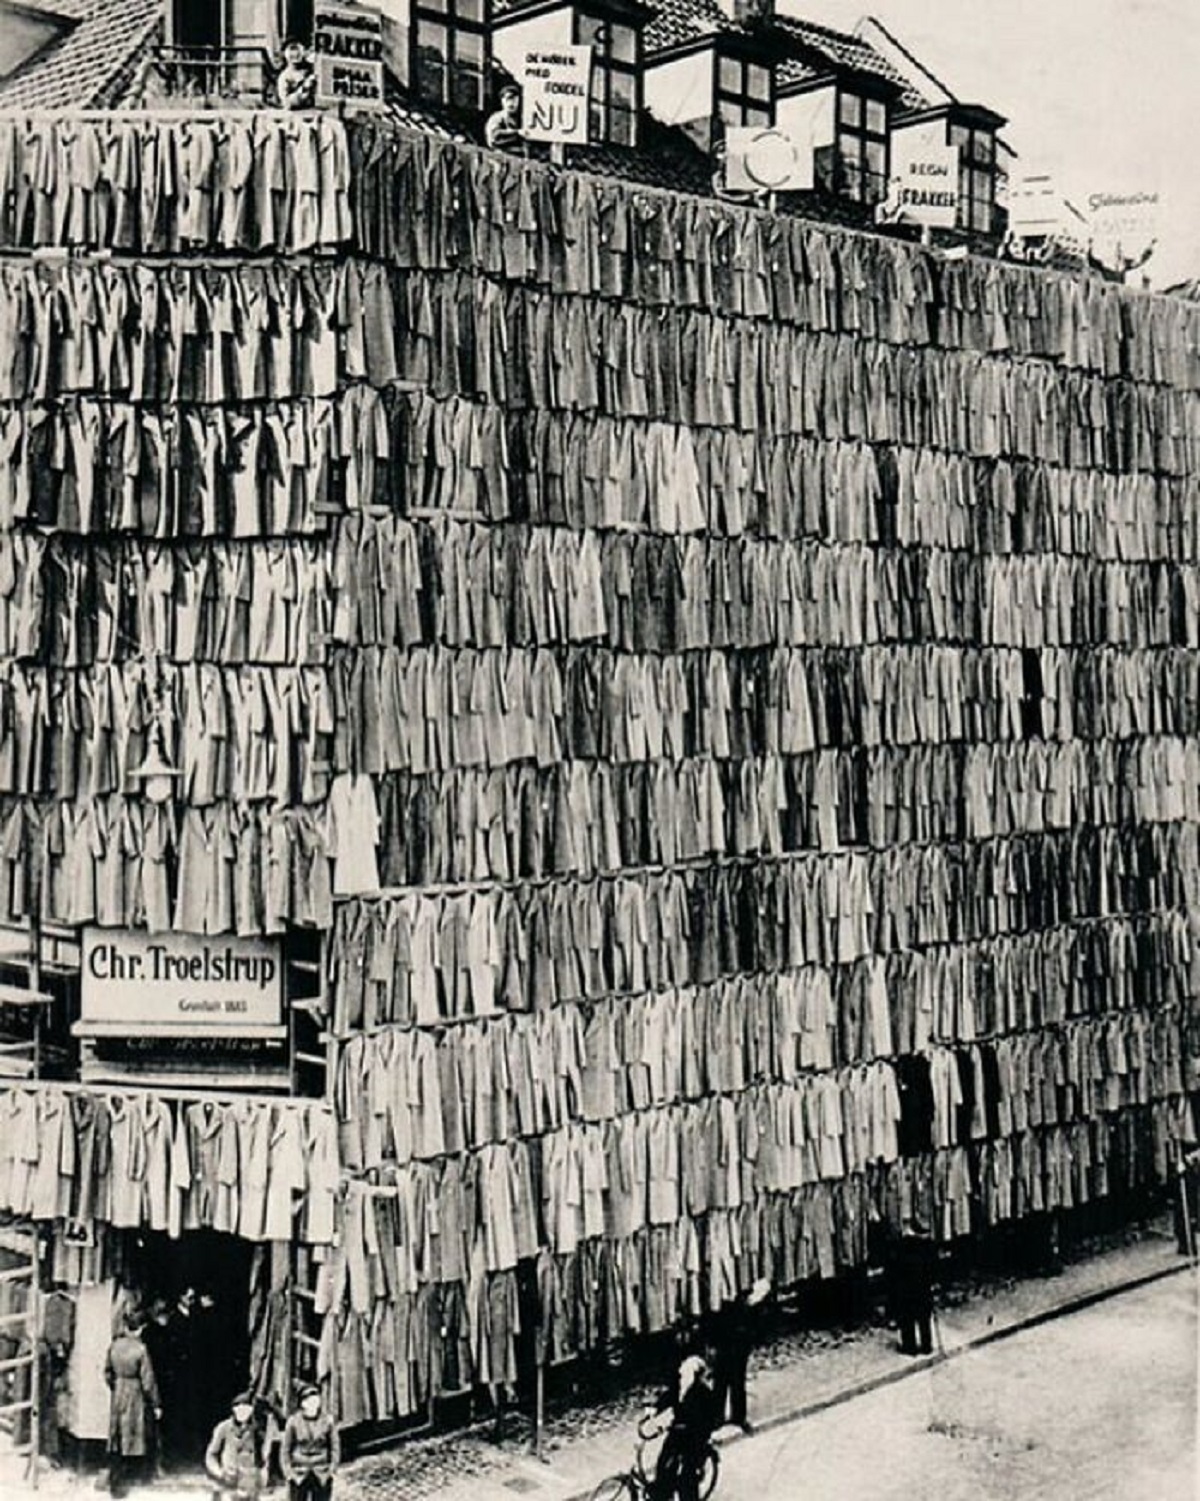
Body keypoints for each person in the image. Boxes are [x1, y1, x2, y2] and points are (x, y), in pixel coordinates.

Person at [646, 1354, 719, 1501]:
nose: (681, 1373)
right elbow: (668, 1397)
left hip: (694, 1439)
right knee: (663, 1464)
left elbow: (709, 1420)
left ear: (695, 1375)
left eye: (685, 1371)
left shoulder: (703, 1393)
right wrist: (655, 1408)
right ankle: (662, 1495)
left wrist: (691, 1428)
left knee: (686, 1477)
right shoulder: (680, 1387)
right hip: (677, 1432)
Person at [105, 1318, 161, 1498]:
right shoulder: (140, 1349)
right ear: (138, 1329)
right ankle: (134, 1475)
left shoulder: (114, 1346)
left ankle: (116, 1476)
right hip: (135, 1392)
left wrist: (116, 1385)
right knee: (134, 1431)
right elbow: (148, 1380)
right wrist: (155, 1402)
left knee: (117, 1433)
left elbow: (107, 1372)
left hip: (119, 1390)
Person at [709, 1278, 770, 1433]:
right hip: (726, 1341)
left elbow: (759, 1330)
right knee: (721, 1380)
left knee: (736, 1381)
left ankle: (737, 1416)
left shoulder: (758, 1308)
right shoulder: (737, 1298)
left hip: (740, 1345)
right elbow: (719, 1319)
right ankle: (718, 1417)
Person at [281, 1385, 340, 1501]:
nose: (313, 1403)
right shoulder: (293, 1422)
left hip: (321, 1472)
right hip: (299, 1473)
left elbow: (335, 1447)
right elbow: (285, 1450)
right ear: (302, 1404)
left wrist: (331, 1470)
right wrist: (288, 1473)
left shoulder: (328, 1421)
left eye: (316, 1399)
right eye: (309, 1400)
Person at [206, 1392, 267, 1501]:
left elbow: (263, 1456)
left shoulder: (257, 1430)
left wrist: (262, 1473)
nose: (243, 1413)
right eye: (239, 1409)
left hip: (250, 1480)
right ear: (234, 1410)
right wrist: (218, 1471)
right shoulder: (223, 1428)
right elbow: (211, 1454)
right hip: (228, 1477)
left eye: (246, 1410)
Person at [890, 1219, 936, 1357]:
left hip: (907, 1289)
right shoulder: (928, 1246)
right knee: (924, 1318)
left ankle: (910, 1347)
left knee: (907, 1317)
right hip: (924, 1287)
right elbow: (932, 1267)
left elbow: (896, 1269)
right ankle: (926, 1345)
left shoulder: (902, 1246)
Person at [275, 38, 316, 110]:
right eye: (291, 49)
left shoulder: (311, 69)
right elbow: (287, 103)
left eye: (297, 49)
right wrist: (304, 88)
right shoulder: (284, 77)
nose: (295, 53)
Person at [484, 84, 524, 151]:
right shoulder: (497, 118)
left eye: (516, 100)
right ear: (502, 101)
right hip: (500, 154)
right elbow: (494, 137)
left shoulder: (520, 119)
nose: (512, 103)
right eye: (508, 99)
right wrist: (517, 133)